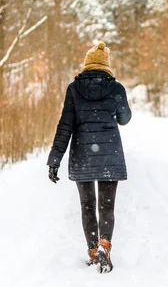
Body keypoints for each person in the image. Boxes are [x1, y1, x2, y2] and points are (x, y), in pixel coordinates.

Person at [47, 42, 131, 273]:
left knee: (87, 206)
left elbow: (65, 126)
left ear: (87, 64)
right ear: (106, 65)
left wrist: (55, 160)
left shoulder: (74, 89)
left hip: (83, 154)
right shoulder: (117, 89)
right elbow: (124, 119)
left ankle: (93, 252)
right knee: (106, 206)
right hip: (109, 155)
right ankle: (105, 244)